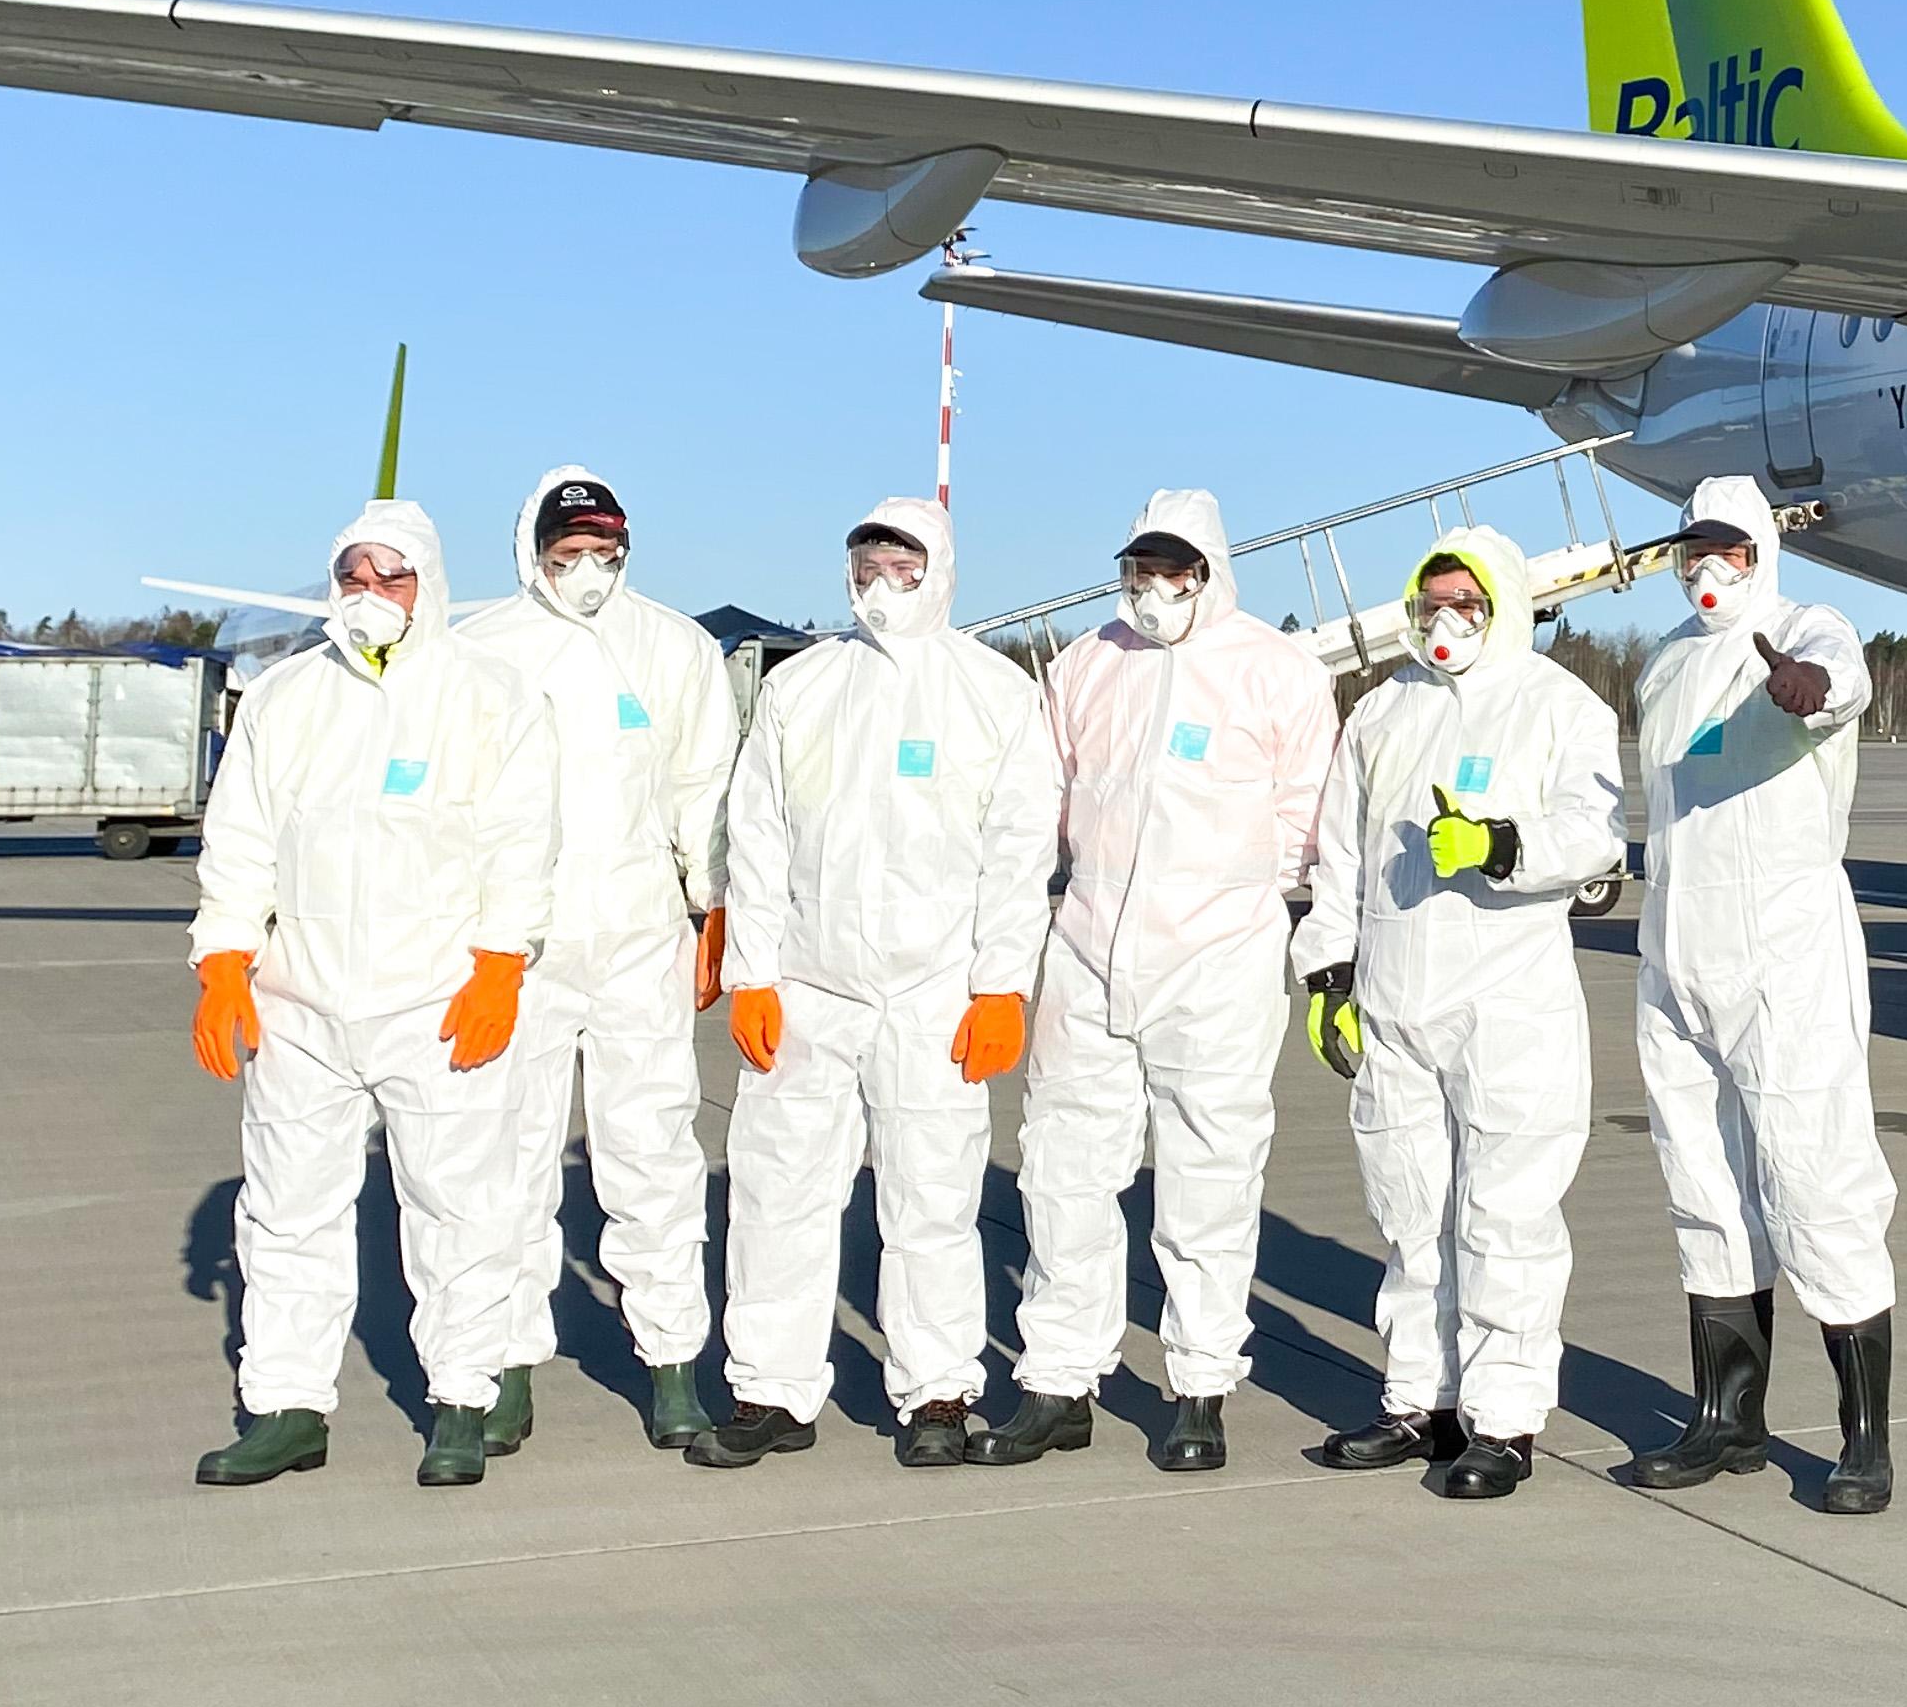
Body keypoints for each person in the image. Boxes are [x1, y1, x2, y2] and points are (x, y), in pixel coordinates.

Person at [189, 501, 556, 1491]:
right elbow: (241, 839)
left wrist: (500, 962)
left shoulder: (489, 693)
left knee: (456, 1207)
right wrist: (223, 960)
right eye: (353, 576)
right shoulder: (286, 696)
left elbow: (521, 839)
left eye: (391, 576)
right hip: (302, 1002)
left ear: (428, 583)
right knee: (286, 1211)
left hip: (437, 1001)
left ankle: (463, 1400)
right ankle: (286, 1406)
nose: (370, 593)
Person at [686, 496, 1056, 1472]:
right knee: (776, 1192)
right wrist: (753, 972)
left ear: (939, 571)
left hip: (936, 992)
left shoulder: (993, 691)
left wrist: (1002, 984)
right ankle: (769, 1390)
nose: (882, 585)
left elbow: (1019, 849)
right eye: (867, 567)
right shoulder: (803, 686)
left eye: (902, 567)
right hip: (810, 987)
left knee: (931, 1197)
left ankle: (936, 1391)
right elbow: (757, 835)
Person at [978, 492, 1335, 1476]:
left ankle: (1199, 1386)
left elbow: (1309, 814)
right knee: (1062, 1167)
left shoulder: (1276, 669)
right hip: (1090, 945)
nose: (1154, 588)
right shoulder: (1088, 664)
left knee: (1207, 1178)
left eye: (1174, 571)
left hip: (1218, 956)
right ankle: (1058, 1379)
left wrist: (1246, 904)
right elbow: (1037, 803)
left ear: (1208, 572)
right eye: (1140, 569)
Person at [1292, 527, 1623, 1499]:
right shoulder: (1383, 710)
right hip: (1396, 998)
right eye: (1432, 603)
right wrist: (1328, 973)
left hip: (1508, 1001)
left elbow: (1597, 833)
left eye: (1466, 603)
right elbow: (1340, 855)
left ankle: (1504, 1418)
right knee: (1410, 1209)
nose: (1447, 621)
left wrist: (1502, 845)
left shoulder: (1558, 705)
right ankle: (1419, 1400)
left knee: (1504, 1213)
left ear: (1503, 605)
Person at [1620, 477, 1901, 1512]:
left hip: (1784, 958)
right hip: (1678, 956)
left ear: (1759, 553)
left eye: (1727, 549)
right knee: (1702, 1184)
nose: (1707, 567)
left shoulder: (1804, 627)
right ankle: (1727, 1418)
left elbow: (1844, 681)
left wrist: (1810, 687)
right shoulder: (1664, 664)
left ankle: (1864, 1440)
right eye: (1692, 549)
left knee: (1818, 1179)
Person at [455, 469, 734, 1455]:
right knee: (507, 1159)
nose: (587, 569)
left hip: (637, 939)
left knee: (653, 1153)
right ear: (531, 551)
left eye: (604, 552)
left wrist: (714, 906)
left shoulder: (673, 646)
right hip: (516, 949)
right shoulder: (477, 648)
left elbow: (705, 787)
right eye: (568, 552)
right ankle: (503, 1370)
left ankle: (672, 1364)